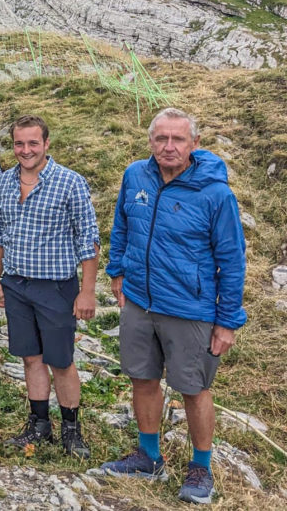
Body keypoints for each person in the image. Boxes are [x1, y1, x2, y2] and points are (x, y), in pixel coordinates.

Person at [100, 108, 246, 504]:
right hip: (139, 303)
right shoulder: (135, 175)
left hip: (189, 309)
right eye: (161, 138)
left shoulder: (216, 194)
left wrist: (227, 321)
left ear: (194, 144)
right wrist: (117, 270)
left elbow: (232, 260)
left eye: (178, 139)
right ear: (150, 141)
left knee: (193, 389)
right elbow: (122, 224)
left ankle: (201, 467)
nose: (168, 146)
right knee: (142, 378)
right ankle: (149, 457)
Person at [0, 115, 99, 459]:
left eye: (33, 143)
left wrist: (87, 291)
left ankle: (71, 430)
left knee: (61, 360)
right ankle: (39, 424)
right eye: (19, 143)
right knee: (30, 357)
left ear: (46, 144)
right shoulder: (4, 182)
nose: (26, 150)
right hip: (16, 285)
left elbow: (88, 239)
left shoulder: (70, 182)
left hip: (56, 287)